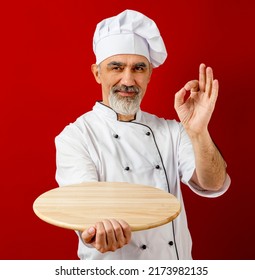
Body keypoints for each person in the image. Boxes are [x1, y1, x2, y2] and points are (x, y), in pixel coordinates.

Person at [55, 9, 230, 260]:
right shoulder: (76, 137)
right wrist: (96, 230)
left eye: (138, 68)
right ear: (97, 73)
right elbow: (85, 208)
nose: (128, 80)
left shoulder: (172, 131)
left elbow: (213, 183)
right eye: (116, 67)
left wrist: (198, 131)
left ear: (149, 75)